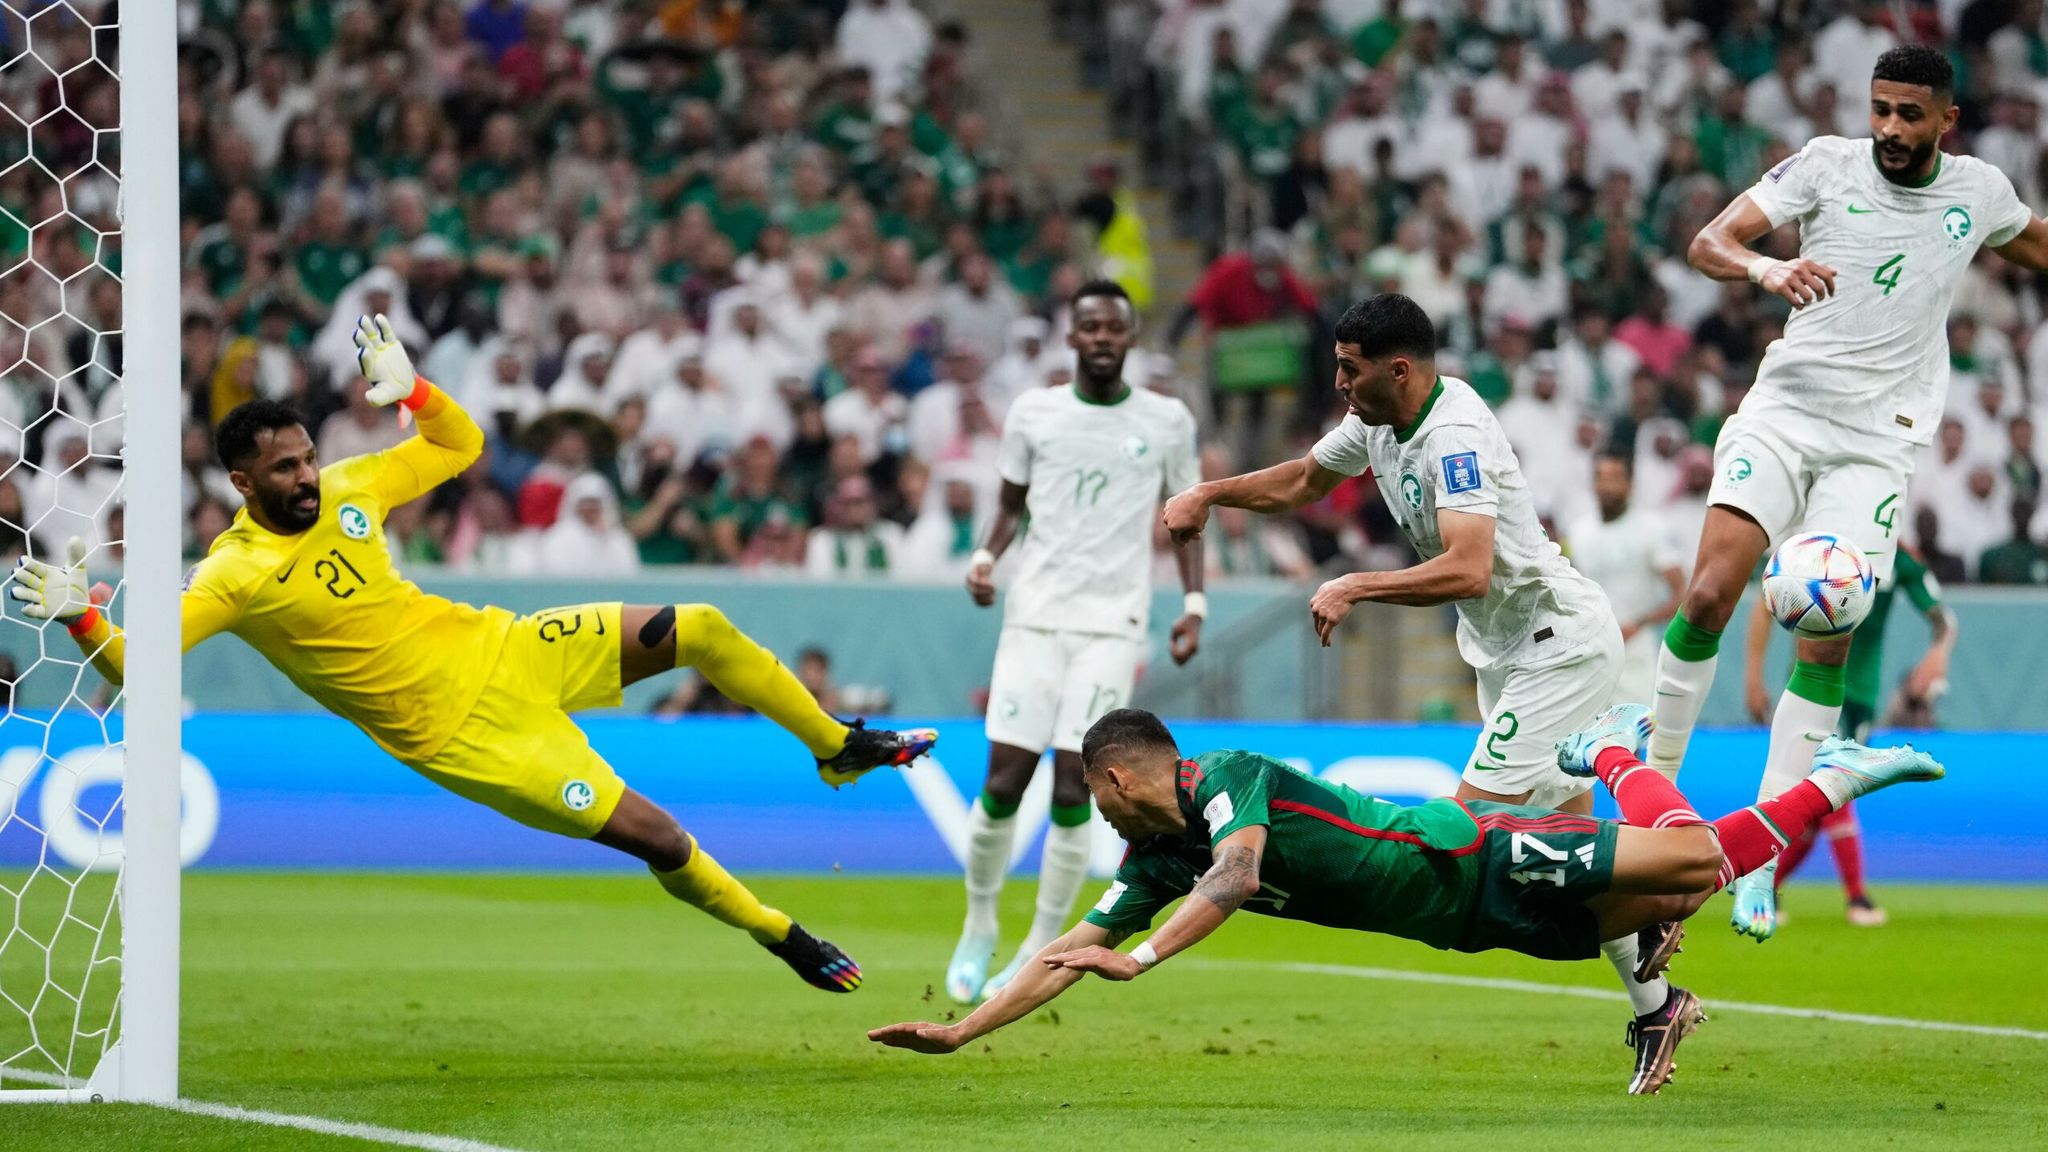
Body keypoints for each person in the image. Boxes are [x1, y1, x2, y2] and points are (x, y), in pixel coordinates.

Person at [11, 316, 938, 995]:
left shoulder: (351, 485)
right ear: (242, 482)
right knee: (659, 839)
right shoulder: (235, 574)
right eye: (284, 469)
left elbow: (462, 444)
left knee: (698, 624)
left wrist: (412, 392)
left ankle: (833, 743)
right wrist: (86, 621)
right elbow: (148, 668)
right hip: (468, 738)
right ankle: (781, 934)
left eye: (306, 458)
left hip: (506, 647)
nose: (305, 477)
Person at [870, 705, 1945, 1097]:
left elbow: (1237, 876)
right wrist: (965, 1032)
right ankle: (1628, 782)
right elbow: (1065, 946)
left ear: (1117, 777)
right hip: (1468, 924)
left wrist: (1141, 963)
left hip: (1473, 857)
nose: (1095, 819)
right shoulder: (1154, 866)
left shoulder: (1226, 776)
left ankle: (1800, 769)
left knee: (1695, 860)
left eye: (1093, 800)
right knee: (1682, 875)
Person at [1163, 294, 1678, 1093]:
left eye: (1349, 368)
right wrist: (1210, 495)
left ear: (1398, 369)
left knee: (1469, 836)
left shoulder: (1454, 437)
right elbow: (1304, 477)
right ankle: (1658, 999)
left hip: (1556, 643)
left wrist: (1357, 584)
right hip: (1506, 652)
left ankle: (1689, 876)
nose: (1338, 382)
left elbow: (1470, 566)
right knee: (1571, 844)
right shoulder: (1376, 421)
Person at [1647, 46, 2048, 942]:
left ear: (1947, 119)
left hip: (1877, 446)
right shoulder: (1825, 164)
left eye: (1911, 114)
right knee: (1710, 594)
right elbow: (1710, 241)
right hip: (1786, 414)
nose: (1891, 130)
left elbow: (2039, 246)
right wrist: (1768, 271)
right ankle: (1653, 805)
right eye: (1881, 109)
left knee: (1824, 635)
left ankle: (1753, 861)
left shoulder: (1978, 192)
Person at [947, 281, 1205, 1006]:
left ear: (1129, 338)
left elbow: (1185, 519)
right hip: (1034, 617)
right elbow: (1007, 506)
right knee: (1002, 783)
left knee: (1073, 787)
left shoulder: (1166, 420)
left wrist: (1193, 604)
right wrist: (985, 557)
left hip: (1110, 625)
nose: (1099, 337)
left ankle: (1037, 942)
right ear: (1071, 337)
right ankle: (979, 923)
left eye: (1112, 327)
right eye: (1088, 325)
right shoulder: (1035, 412)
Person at [1742, 546, 1955, 928]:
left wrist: (1940, 651)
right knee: (1832, 784)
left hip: (1859, 693)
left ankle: (1766, 881)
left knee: (1817, 805)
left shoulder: (1899, 557)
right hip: (1812, 687)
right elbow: (1766, 600)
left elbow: (1943, 619)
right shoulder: (1815, 546)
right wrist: (1753, 675)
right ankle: (1856, 896)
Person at [1566, 453, 1685, 705]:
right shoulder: (1579, 531)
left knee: (1636, 730)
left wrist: (1639, 623)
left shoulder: (1651, 528)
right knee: (1587, 736)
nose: (1607, 486)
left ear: (1630, 485)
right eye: (1600, 478)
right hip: (1590, 650)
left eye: (1615, 478)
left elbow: (1681, 595)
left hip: (1636, 650)